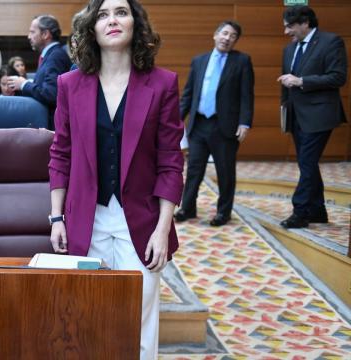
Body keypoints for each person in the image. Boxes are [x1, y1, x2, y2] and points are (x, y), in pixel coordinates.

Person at [48, 1, 183, 359]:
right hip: (84, 219)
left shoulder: (163, 83)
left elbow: (171, 161)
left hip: (140, 220)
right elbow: (61, 153)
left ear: (135, 25)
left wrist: (162, 230)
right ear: (91, 28)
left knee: (140, 319)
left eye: (121, 12)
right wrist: (56, 216)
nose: (112, 20)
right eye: (103, 14)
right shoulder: (69, 84)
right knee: (85, 317)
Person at [173, 21, 254, 227]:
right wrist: (176, 121)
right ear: (215, 35)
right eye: (224, 33)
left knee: (225, 171)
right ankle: (188, 208)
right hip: (199, 124)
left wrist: (245, 123)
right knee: (193, 170)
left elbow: (247, 95)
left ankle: (223, 212)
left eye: (233, 36)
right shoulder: (199, 60)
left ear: (235, 40)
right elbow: (189, 93)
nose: (227, 38)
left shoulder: (242, 61)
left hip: (224, 126)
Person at [277, 6, 347, 228]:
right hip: (296, 115)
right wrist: (284, 107)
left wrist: (302, 81)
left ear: (305, 22)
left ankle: (300, 211)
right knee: (307, 163)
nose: (286, 31)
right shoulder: (290, 49)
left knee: (306, 161)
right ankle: (318, 210)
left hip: (319, 115)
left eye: (290, 26)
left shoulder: (331, 42)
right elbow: (286, 82)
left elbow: (337, 77)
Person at [7, 14, 71, 129]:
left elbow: (51, 94)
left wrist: (24, 84)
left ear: (45, 34)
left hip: (52, 127)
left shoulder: (56, 56)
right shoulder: (51, 54)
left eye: (32, 32)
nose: (28, 36)